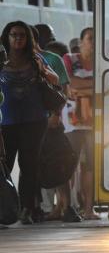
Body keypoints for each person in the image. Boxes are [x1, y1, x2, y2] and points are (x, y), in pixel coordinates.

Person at [0, 21, 59, 224]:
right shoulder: (1, 59)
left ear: (28, 39)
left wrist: (43, 70)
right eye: (14, 35)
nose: (18, 39)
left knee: (29, 165)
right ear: (7, 37)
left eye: (22, 35)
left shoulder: (35, 59)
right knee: (4, 165)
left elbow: (55, 79)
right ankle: (6, 209)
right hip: (5, 122)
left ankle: (27, 208)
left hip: (34, 121)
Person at [32, 26, 82, 223]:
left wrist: (55, 114)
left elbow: (64, 90)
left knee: (58, 163)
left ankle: (67, 206)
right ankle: (31, 208)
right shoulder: (11, 61)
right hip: (23, 121)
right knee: (29, 165)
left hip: (50, 121)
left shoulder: (52, 59)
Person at [62, 27, 99, 220]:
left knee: (90, 166)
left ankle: (88, 209)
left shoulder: (101, 61)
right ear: (81, 41)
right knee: (70, 164)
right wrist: (94, 86)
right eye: (90, 38)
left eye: (96, 38)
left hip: (95, 122)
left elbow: (105, 85)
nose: (93, 42)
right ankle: (67, 207)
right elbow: (70, 84)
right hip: (73, 121)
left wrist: (84, 87)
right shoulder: (69, 59)